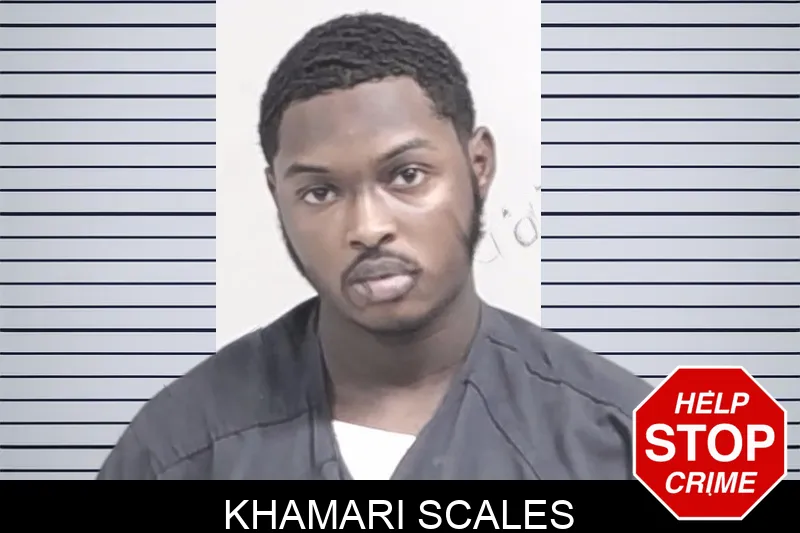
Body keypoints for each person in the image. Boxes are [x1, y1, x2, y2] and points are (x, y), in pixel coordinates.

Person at [97, 12, 652, 480]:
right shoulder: (180, 448)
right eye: (320, 192)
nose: (367, 226)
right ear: (277, 196)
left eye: (407, 175)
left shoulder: (620, 439)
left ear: (478, 164)